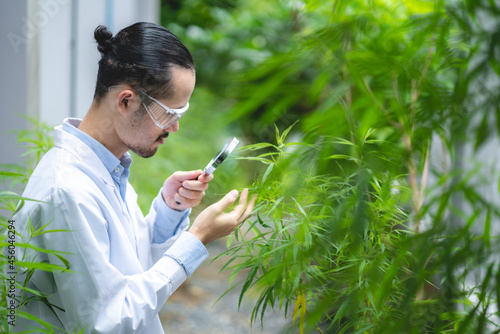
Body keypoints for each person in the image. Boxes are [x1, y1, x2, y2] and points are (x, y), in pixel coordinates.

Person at [12, 22, 257, 333]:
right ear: (126, 101)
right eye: (171, 113)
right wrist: (197, 239)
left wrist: (170, 210)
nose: (175, 128)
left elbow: (129, 270)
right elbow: (108, 320)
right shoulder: (68, 191)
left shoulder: (106, 167)